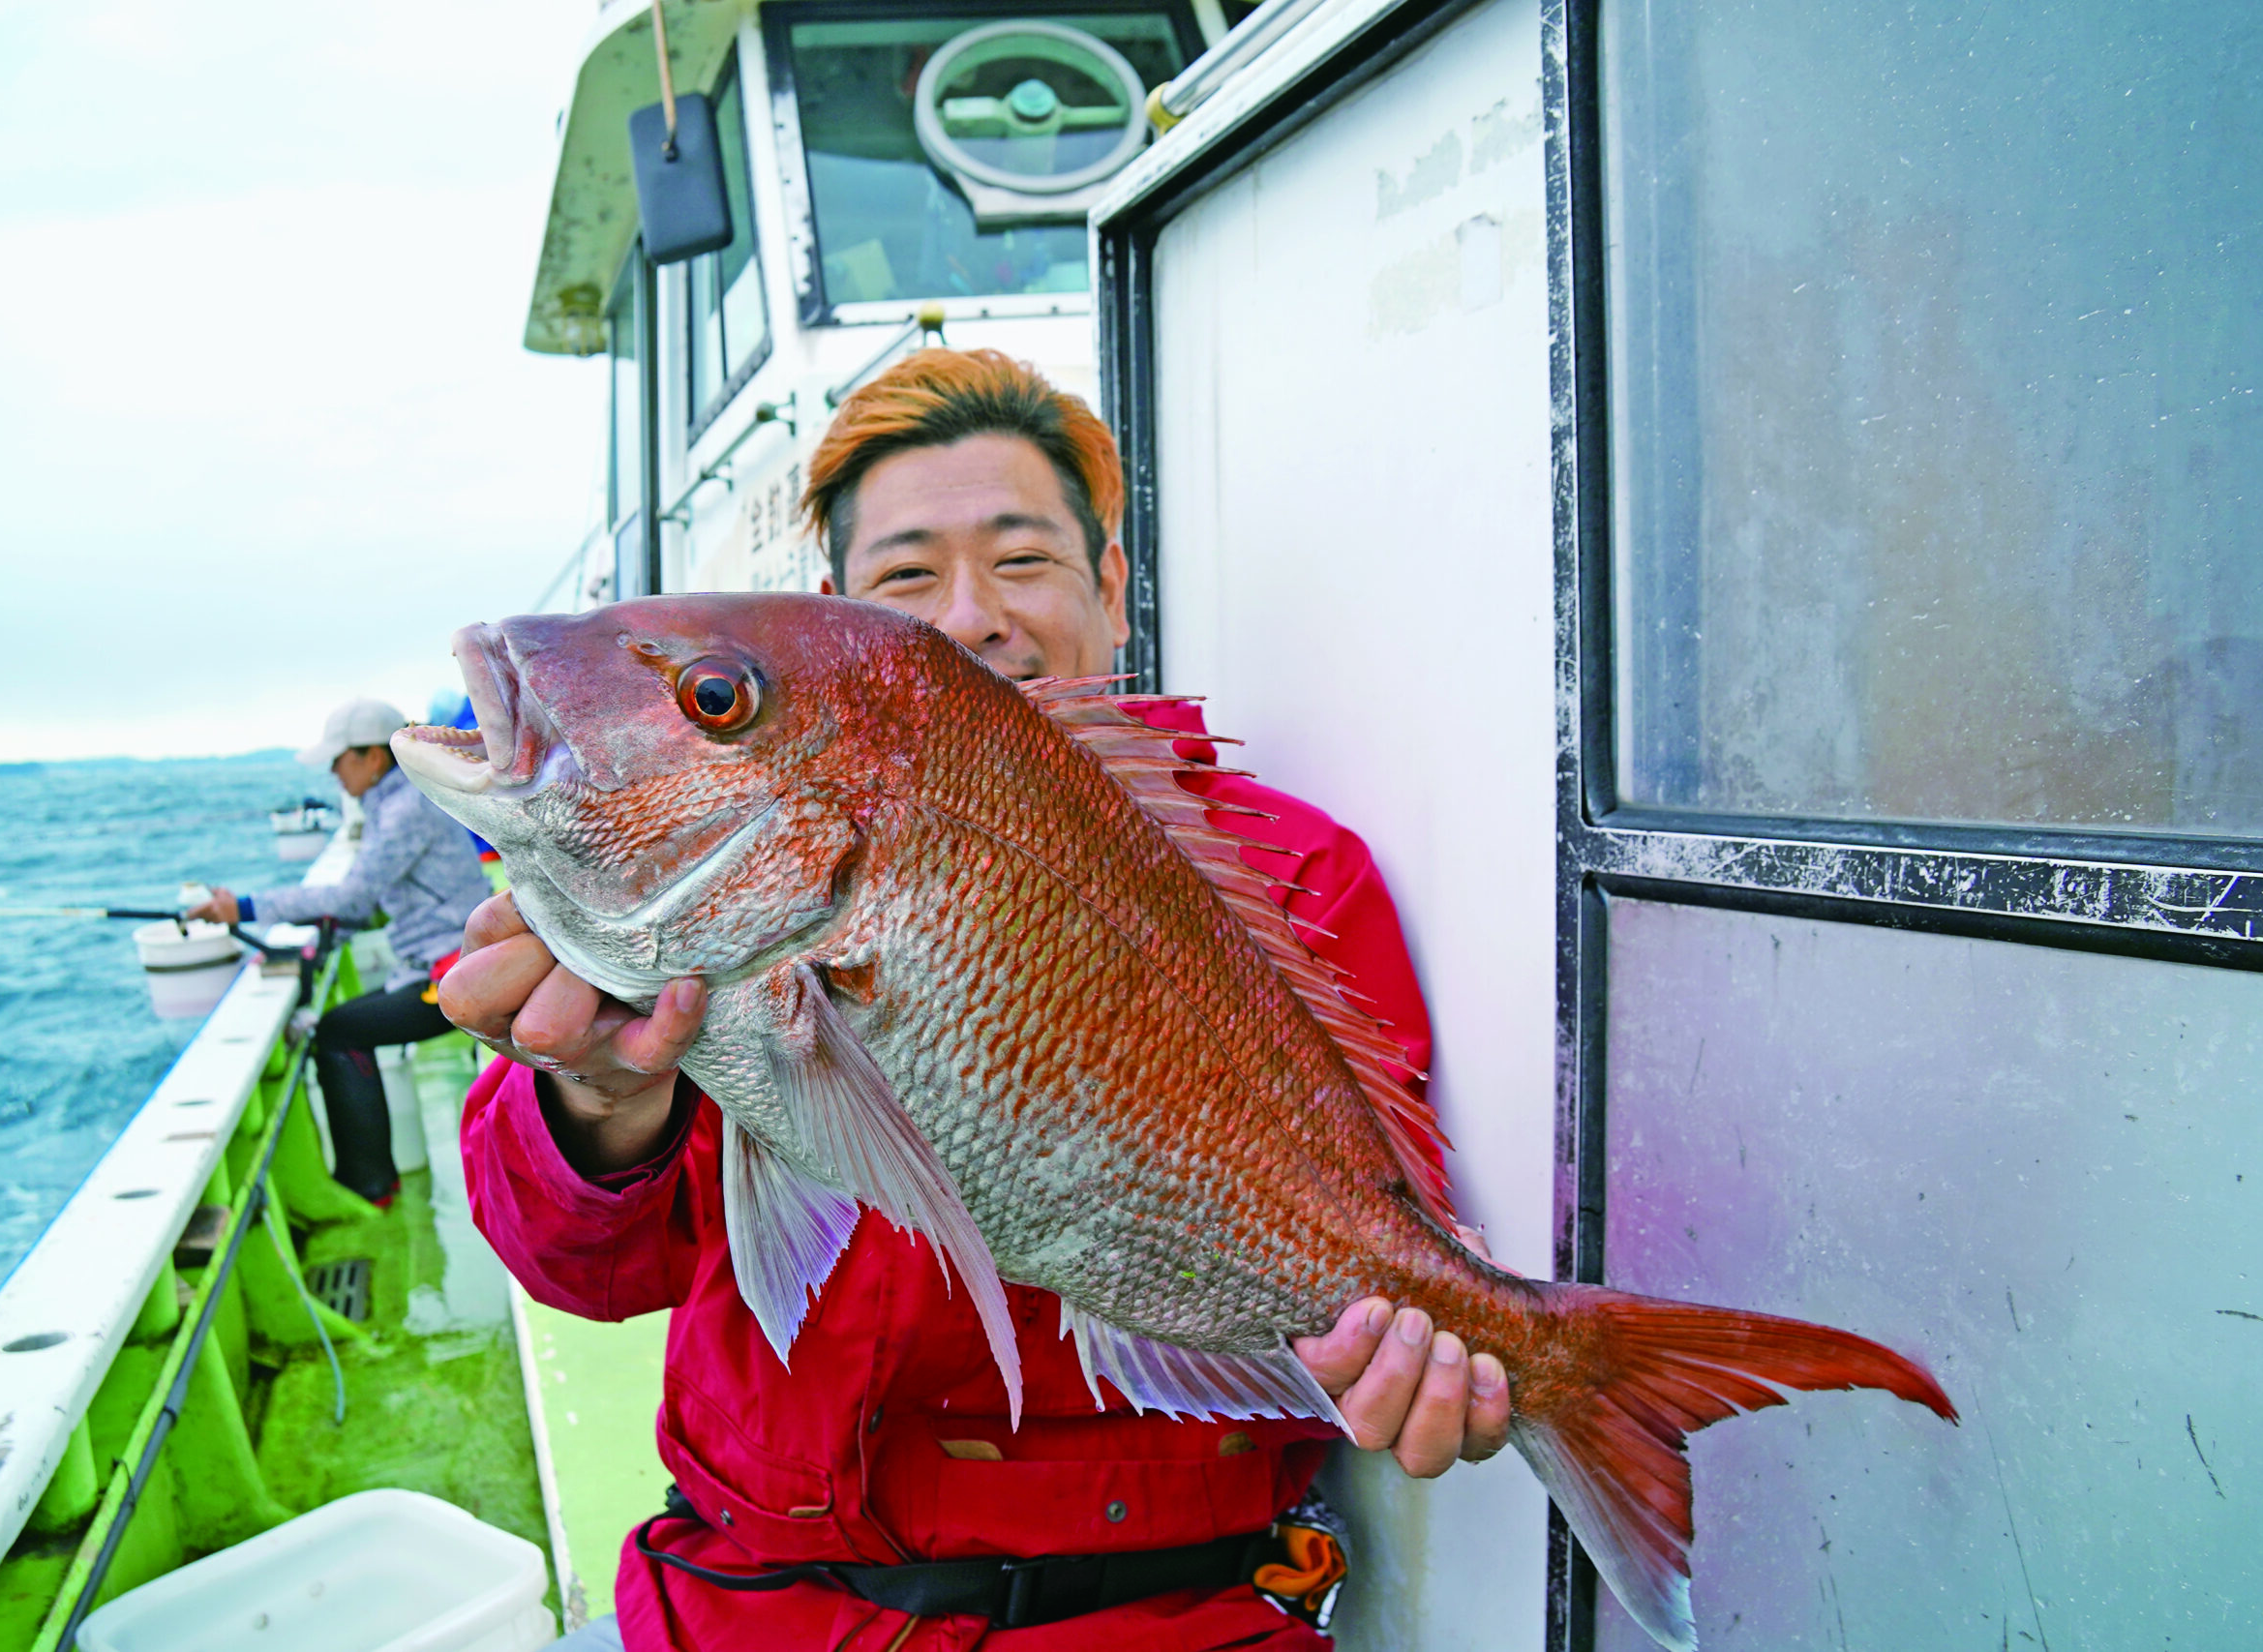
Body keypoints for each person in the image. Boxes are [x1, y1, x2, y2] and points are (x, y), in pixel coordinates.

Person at [440, 351, 1509, 1650]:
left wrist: (1427, 1354)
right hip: (753, 1610)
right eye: (905, 575)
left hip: (1174, 1621)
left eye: (1021, 560)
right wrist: (598, 1092)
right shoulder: (708, 860)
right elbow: (582, 1271)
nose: (971, 614)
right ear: (839, 614)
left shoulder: (1292, 874)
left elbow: (1385, 1251)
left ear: (1109, 589)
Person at [190, 696, 492, 1206]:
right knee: (345, 1026)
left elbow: (352, 897)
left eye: (338, 761)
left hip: (452, 978)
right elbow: (367, 902)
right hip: (442, 963)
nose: (333, 774)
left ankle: (370, 1184)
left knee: (337, 1033)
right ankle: (371, 1177)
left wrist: (243, 906)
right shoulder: (401, 800)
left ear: (373, 757)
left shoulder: (404, 808)